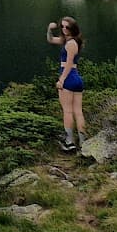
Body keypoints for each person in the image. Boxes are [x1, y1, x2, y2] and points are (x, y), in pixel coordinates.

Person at [46, 16, 86, 152]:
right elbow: (51, 39)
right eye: (62, 26)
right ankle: (83, 142)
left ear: (73, 28)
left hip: (69, 78)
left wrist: (62, 79)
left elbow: (69, 63)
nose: (64, 29)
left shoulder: (70, 44)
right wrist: (50, 29)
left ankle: (70, 142)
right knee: (78, 112)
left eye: (67, 27)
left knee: (68, 111)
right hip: (77, 79)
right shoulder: (70, 41)